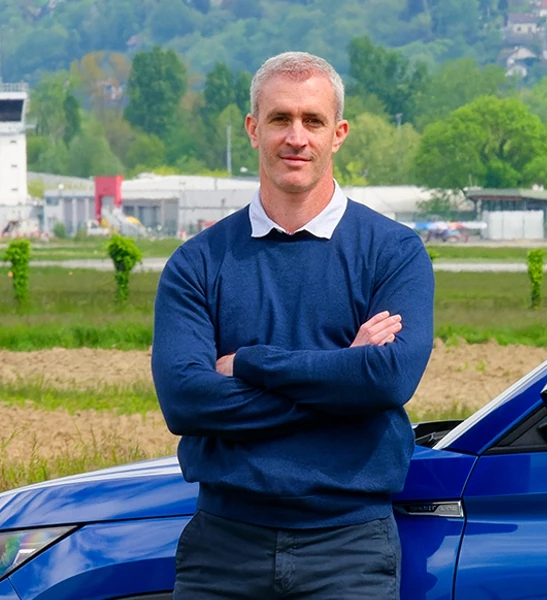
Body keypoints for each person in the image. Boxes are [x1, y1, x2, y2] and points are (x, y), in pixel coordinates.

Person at [150, 51, 435, 600]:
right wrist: (343, 376)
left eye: (313, 120)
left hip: (350, 549)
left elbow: (387, 381)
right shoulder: (198, 263)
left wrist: (251, 363)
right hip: (223, 551)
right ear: (254, 129)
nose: (295, 137)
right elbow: (185, 402)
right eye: (280, 119)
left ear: (339, 134)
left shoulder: (394, 253)